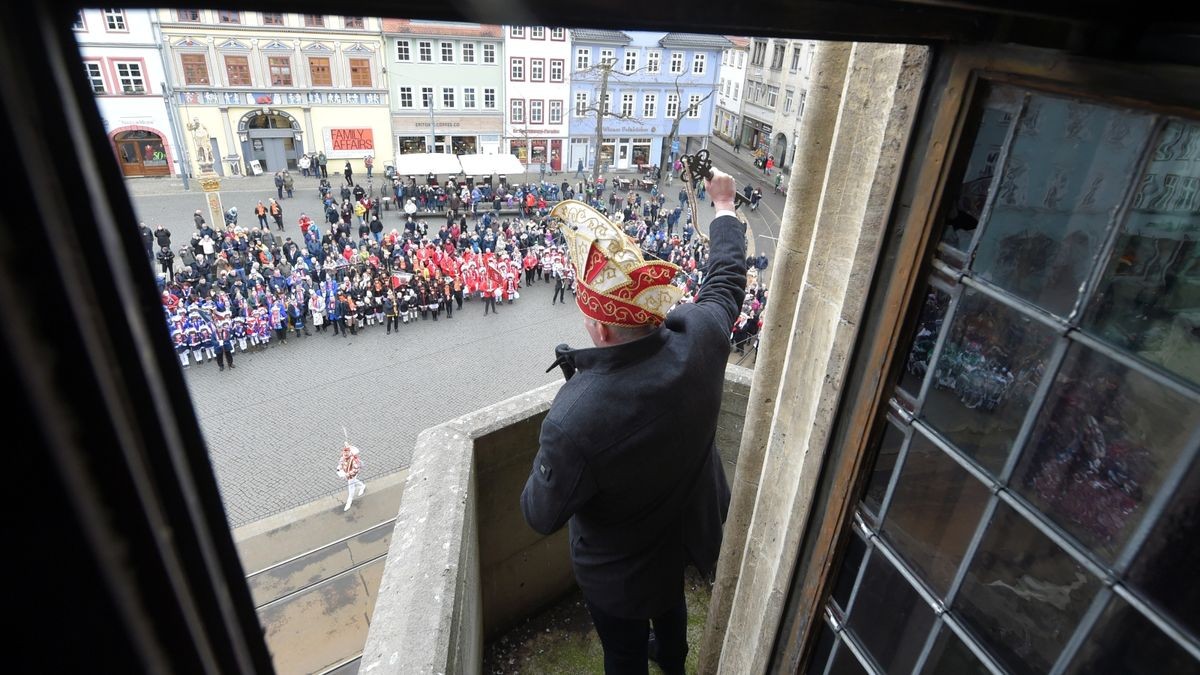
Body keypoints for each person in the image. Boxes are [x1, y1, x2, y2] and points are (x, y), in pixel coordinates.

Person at [520, 171, 744, 675]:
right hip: (686, 531)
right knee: (669, 601)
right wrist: (724, 207)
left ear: (598, 326)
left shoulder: (573, 420)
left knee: (623, 655)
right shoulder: (701, 337)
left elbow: (539, 514)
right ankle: (673, 660)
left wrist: (566, 415)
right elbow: (726, 279)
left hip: (621, 575)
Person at [336, 442, 366, 512]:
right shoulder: (343, 457)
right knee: (353, 482)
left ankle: (349, 501)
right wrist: (339, 469)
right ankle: (362, 486)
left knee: (351, 487)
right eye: (344, 454)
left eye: (346, 454)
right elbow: (340, 463)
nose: (345, 455)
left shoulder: (353, 459)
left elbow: (355, 469)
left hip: (351, 475)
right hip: (347, 474)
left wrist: (348, 474)